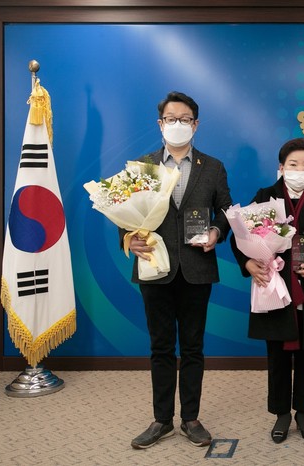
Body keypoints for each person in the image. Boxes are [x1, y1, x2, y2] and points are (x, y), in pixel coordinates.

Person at [127, 91, 233, 450]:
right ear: (160, 124)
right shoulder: (142, 166)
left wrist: (216, 231)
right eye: (171, 119)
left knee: (192, 347)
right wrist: (129, 238)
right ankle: (161, 420)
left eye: (184, 119)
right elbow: (124, 210)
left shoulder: (213, 167)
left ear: (195, 124)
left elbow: (226, 210)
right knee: (160, 347)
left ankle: (191, 419)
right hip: (154, 266)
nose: (177, 124)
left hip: (196, 268)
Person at [231, 138, 304, 444]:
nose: (300, 170)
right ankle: (281, 413)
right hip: (275, 288)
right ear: (281, 167)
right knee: (277, 355)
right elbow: (238, 235)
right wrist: (247, 263)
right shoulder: (265, 196)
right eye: (293, 164)